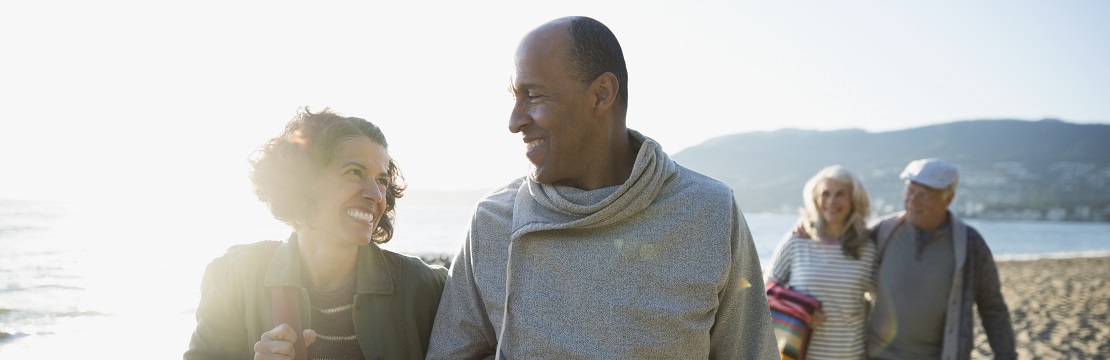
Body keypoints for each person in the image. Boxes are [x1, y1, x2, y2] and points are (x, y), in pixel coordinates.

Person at [425, 16, 777, 359]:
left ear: (601, 94)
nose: (514, 122)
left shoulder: (711, 212)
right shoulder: (492, 221)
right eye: (515, 97)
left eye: (532, 95)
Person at [184, 108, 447, 360]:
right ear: (303, 182)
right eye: (354, 172)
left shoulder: (424, 288)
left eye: (382, 180)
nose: (376, 195)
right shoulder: (233, 278)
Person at [868, 158, 1016, 359]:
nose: (912, 202)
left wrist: (1006, 354)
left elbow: (992, 308)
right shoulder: (882, 231)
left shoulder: (970, 244)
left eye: (924, 195)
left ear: (948, 199)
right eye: (910, 191)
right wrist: (810, 230)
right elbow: (837, 244)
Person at [768, 165, 878, 359]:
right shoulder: (797, 240)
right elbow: (765, 290)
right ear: (816, 200)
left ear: (854, 199)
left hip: (850, 354)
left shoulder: (867, 247)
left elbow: (881, 298)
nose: (831, 201)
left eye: (840, 194)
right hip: (797, 353)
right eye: (825, 194)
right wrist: (800, 310)